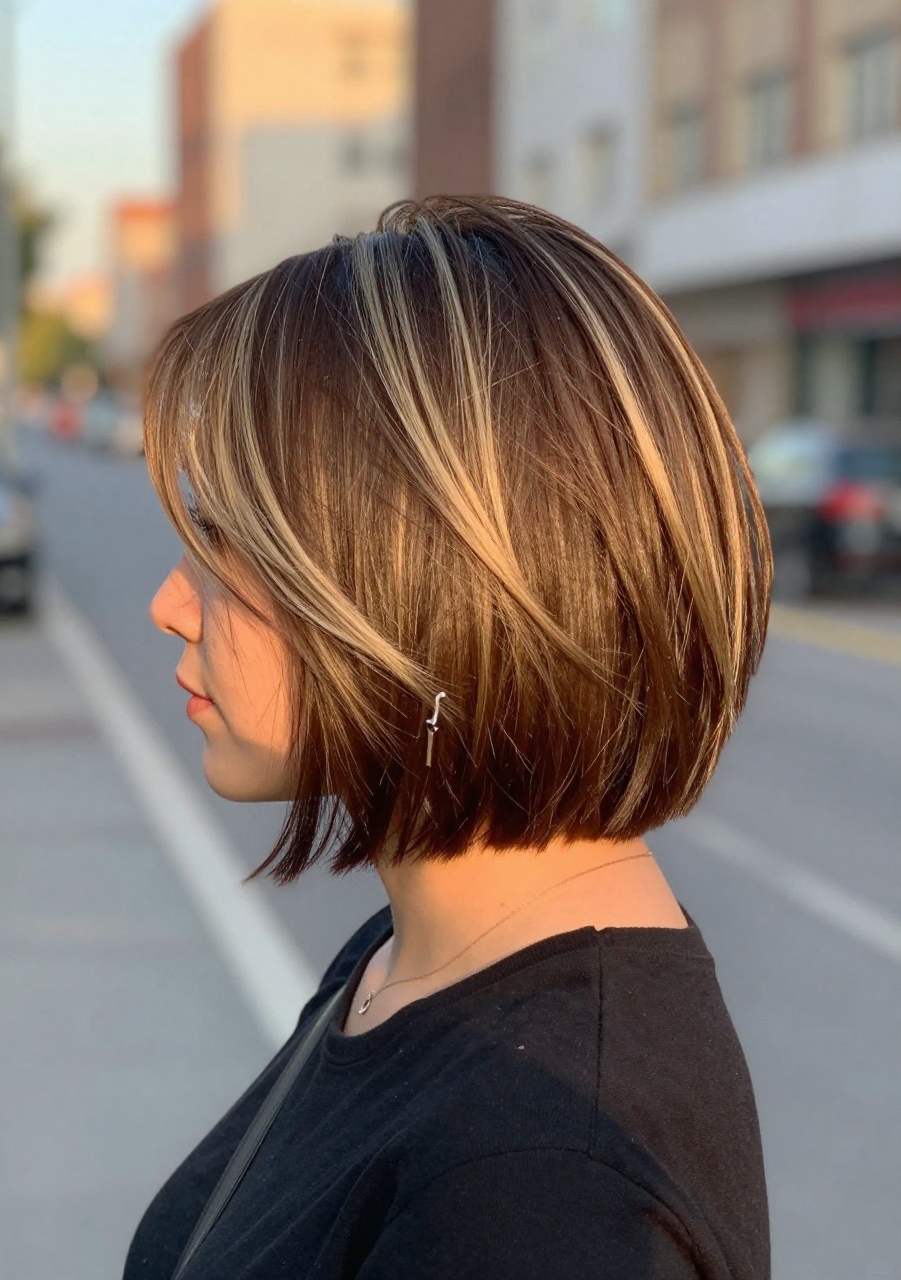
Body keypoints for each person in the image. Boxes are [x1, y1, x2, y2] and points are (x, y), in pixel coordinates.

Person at [130, 195, 772, 1279]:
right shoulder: (418, 955)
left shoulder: (536, 1193)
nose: (169, 601)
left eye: (230, 547)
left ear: (423, 582)